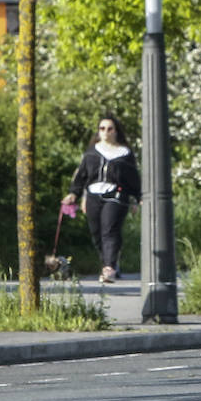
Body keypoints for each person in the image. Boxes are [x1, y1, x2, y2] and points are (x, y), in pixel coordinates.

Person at [63, 115, 141, 283]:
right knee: (97, 233)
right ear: (98, 131)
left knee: (109, 230)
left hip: (116, 195)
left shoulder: (125, 154)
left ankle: (109, 268)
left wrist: (137, 198)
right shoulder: (92, 152)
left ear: (116, 131)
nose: (106, 132)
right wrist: (74, 194)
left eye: (110, 128)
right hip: (93, 195)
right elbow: (81, 175)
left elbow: (133, 178)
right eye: (102, 128)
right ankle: (109, 261)